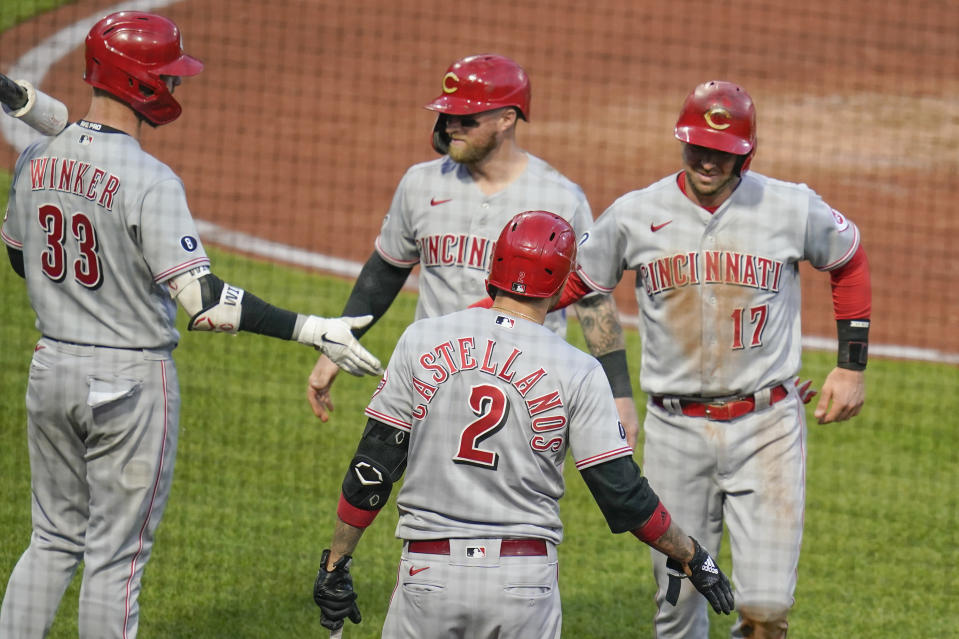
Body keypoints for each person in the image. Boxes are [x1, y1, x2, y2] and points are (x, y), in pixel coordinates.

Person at [0, 12, 381, 639]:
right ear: (143, 83)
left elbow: (21, 258)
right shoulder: (151, 179)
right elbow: (206, 303)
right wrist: (312, 327)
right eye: (169, 77)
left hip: (50, 371)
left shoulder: (35, 159)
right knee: (116, 562)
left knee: (51, 540)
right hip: (126, 382)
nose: (176, 88)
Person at [310, 210, 734, 638]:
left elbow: (372, 468)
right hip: (523, 583)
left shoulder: (421, 339)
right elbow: (622, 493)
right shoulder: (577, 369)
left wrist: (336, 564)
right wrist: (692, 555)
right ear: (560, 282)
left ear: (493, 268)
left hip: (428, 575)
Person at [551, 80, 872, 638]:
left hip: (767, 427)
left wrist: (852, 364)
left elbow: (848, 258)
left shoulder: (789, 205)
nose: (706, 158)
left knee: (767, 608)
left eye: (721, 150)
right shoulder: (635, 213)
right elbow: (576, 281)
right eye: (696, 144)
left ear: (746, 151)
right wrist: (486, 310)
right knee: (677, 606)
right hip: (675, 429)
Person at [305, 53, 639, 448]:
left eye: (467, 119)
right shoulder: (420, 184)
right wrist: (337, 345)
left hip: (524, 390)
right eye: (448, 116)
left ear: (507, 118)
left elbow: (592, 298)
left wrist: (620, 396)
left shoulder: (559, 197)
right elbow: (387, 269)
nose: (451, 127)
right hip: (434, 382)